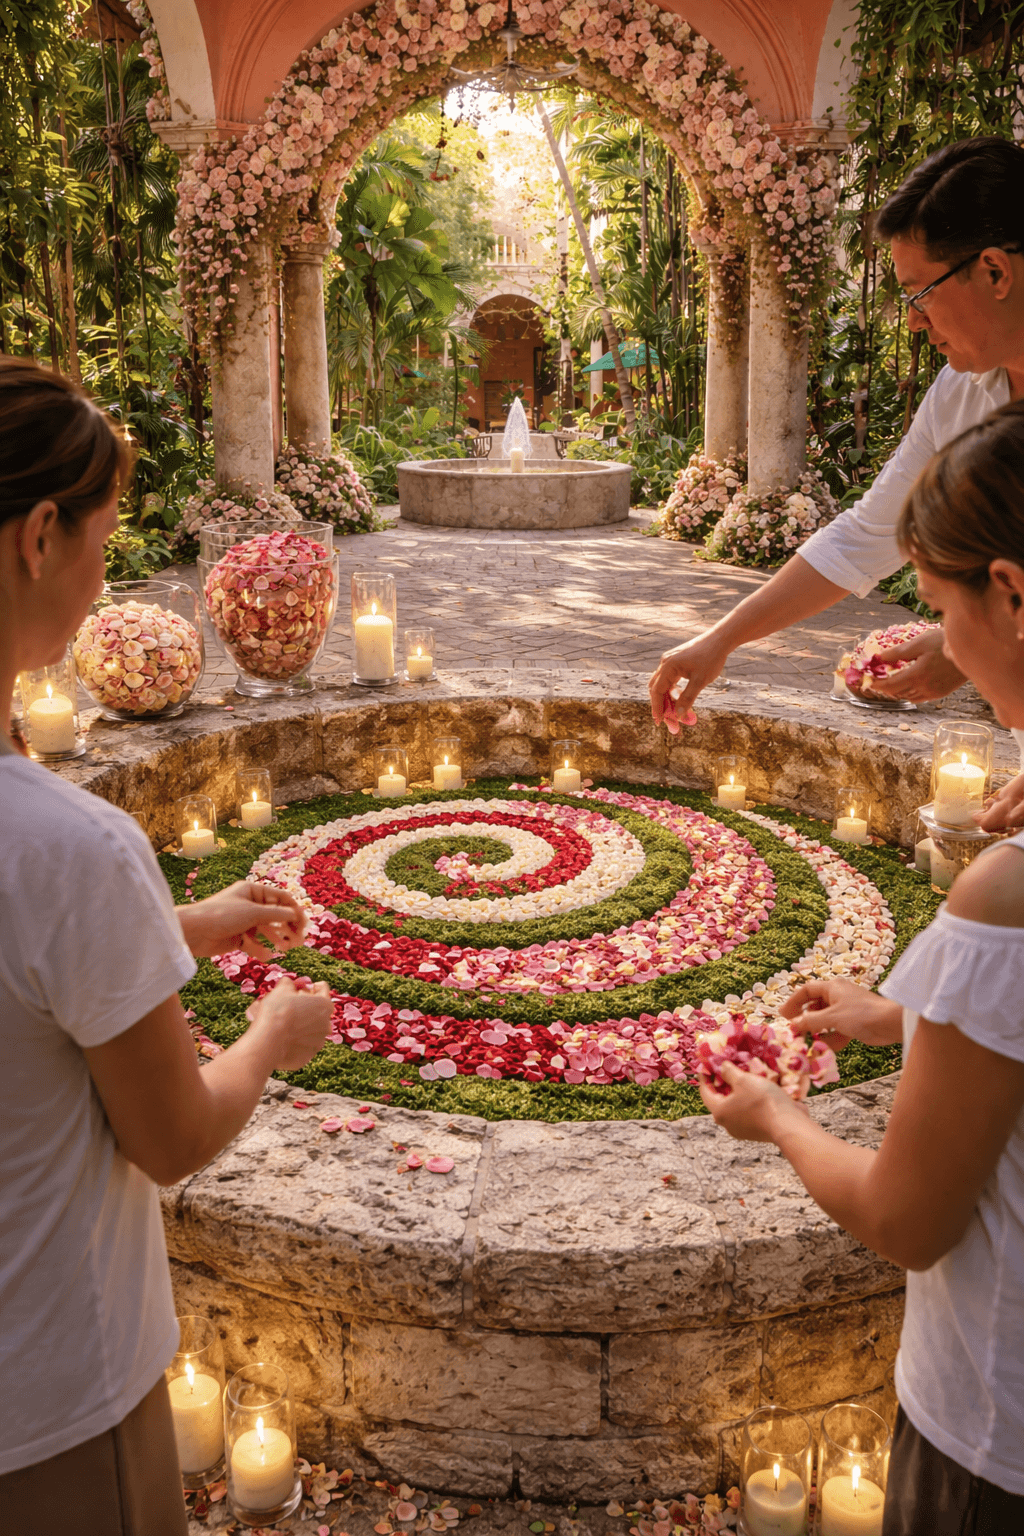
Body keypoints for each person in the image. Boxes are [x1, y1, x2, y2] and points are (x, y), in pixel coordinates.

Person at [0, 359, 334, 1535]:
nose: (106, 578)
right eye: (103, 541)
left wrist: (181, 925)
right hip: (46, 1396)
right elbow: (176, 1137)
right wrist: (271, 1033)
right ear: (39, 536)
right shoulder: (67, 847)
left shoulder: (56, 859)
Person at [700, 398, 1024, 1532]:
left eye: (936, 608)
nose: (941, 646)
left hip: (996, 1431)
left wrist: (778, 1119)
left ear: (1012, 594)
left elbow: (906, 1219)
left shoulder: (1004, 895)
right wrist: (902, 1017)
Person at [648, 136, 1024, 830]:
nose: (914, 321)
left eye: (921, 293)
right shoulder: (960, 393)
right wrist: (720, 641)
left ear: (995, 271)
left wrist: (969, 646)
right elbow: (868, 535)